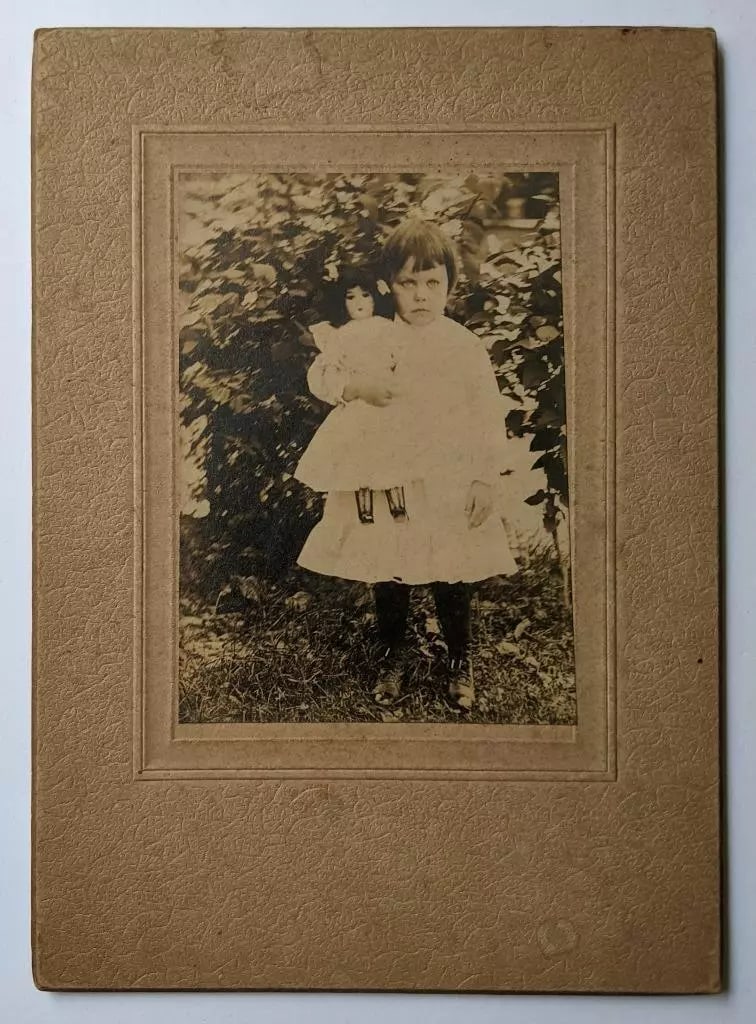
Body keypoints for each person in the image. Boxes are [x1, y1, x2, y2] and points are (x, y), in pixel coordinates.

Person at [297, 219, 517, 710]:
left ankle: (460, 659)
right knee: (388, 563)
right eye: (408, 284)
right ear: (387, 286)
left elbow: (487, 412)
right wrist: (358, 389)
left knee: (451, 567)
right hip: (388, 474)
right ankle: (393, 653)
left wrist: (485, 476)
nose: (421, 296)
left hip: (449, 475)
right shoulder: (370, 337)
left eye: (432, 283)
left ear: (449, 286)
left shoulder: (463, 345)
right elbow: (324, 376)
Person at [294, 266, 410, 522]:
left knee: (391, 453)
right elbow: (331, 369)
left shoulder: (386, 328)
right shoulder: (340, 335)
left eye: (365, 295)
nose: (359, 303)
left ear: (376, 298)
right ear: (342, 302)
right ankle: (365, 510)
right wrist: (348, 385)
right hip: (358, 402)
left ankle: (398, 506)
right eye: (351, 297)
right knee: (359, 456)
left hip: (385, 400)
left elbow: (403, 359)